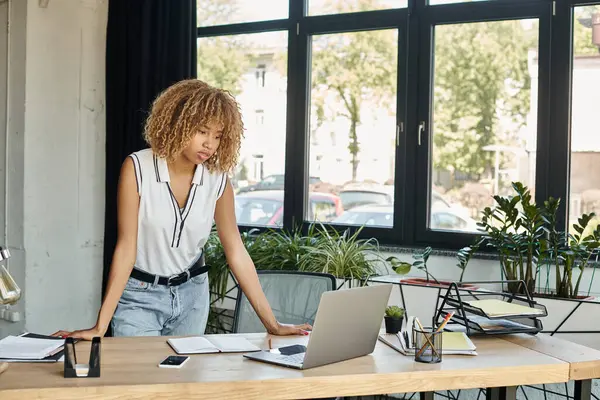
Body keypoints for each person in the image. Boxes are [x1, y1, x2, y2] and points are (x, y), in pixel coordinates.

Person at [53, 79, 311, 340]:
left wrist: (272, 324)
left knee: (182, 380)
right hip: (140, 297)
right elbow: (126, 248)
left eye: (218, 136)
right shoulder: (138, 167)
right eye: (202, 131)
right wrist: (100, 327)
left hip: (193, 296)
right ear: (178, 123)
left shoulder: (218, 178)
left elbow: (236, 251)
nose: (210, 144)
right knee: (140, 378)